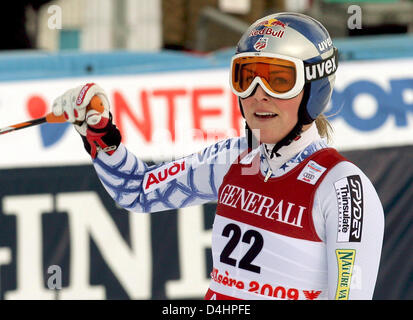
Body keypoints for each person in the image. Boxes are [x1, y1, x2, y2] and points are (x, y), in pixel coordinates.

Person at [51, 12, 384, 300]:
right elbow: (136, 191)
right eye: (246, 77)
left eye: (279, 81)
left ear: (314, 87)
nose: (258, 97)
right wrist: (98, 132)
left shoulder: (342, 190)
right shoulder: (234, 158)